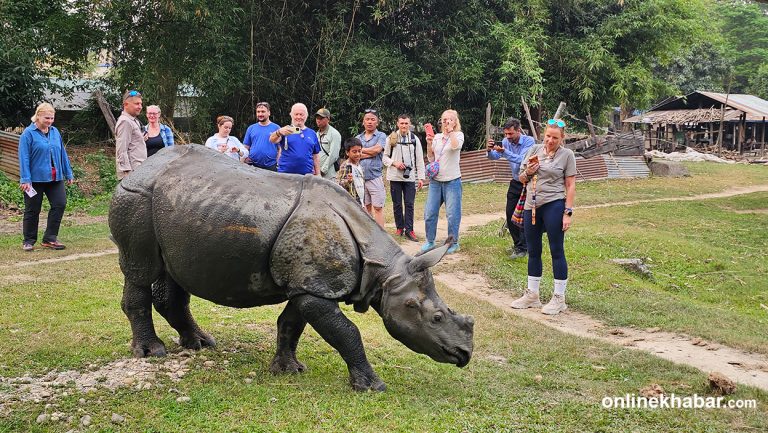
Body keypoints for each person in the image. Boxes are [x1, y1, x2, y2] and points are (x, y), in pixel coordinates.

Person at [510, 119, 576, 315]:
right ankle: (532, 295)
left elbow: (570, 185)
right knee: (534, 250)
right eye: (548, 136)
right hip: (532, 205)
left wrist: (568, 212)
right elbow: (521, 178)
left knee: (556, 249)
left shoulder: (567, 155)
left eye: (555, 138)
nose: (550, 140)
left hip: (554, 203)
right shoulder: (534, 150)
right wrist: (528, 172)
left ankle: (559, 298)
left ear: (562, 138)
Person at [17, 103, 75, 251]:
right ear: (38, 116)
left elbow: (62, 153)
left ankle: (50, 238)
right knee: (32, 210)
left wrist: (68, 173)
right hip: (35, 179)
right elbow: (24, 158)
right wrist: (25, 179)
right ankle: (29, 240)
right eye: (46, 118)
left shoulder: (55, 132)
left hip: (55, 178)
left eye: (52, 118)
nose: (49, 121)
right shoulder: (28, 134)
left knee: (59, 204)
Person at [487, 117, 535, 259]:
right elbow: (495, 156)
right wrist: (490, 151)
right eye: (506, 134)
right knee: (510, 214)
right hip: (515, 182)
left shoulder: (529, 141)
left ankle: (524, 247)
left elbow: (522, 160)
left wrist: (504, 152)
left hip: (528, 182)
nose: (507, 137)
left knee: (524, 216)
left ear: (518, 131)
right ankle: (517, 245)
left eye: (510, 134)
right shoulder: (505, 142)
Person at [422, 109, 464, 254]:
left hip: (452, 181)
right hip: (436, 181)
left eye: (450, 119)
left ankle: (453, 243)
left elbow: (454, 146)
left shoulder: (459, 135)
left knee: (452, 214)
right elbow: (431, 158)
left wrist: (451, 131)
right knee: (429, 212)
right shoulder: (437, 137)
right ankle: (430, 241)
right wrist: (429, 143)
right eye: (444, 119)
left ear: (455, 121)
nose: (446, 122)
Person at [383, 114, 425, 242]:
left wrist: (421, 178)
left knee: (409, 204)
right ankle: (399, 228)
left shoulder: (414, 139)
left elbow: (419, 159)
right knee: (397, 204)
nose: (404, 126)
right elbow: (384, 158)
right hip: (395, 176)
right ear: (397, 124)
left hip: (410, 177)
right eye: (402, 123)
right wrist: (395, 163)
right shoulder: (391, 138)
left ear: (410, 124)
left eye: (406, 123)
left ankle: (409, 229)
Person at [355, 109, 387, 227]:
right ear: (363, 122)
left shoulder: (381, 135)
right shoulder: (358, 137)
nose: (370, 122)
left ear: (377, 122)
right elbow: (355, 156)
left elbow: (377, 150)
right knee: (365, 207)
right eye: (367, 119)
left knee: (378, 208)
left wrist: (360, 151)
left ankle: (381, 236)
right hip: (361, 178)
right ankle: (369, 235)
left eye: (372, 120)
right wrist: (371, 152)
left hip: (375, 177)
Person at [269, 103, 320, 175]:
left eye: (301, 114)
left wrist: (318, 174)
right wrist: (279, 132)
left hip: (306, 177)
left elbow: (316, 156)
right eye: (296, 114)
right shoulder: (285, 130)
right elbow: (271, 140)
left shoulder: (312, 133)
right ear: (291, 115)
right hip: (285, 175)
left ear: (306, 116)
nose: (299, 117)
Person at [115, 90, 146, 179]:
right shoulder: (125, 121)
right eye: (137, 104)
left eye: (141, 104)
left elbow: (132, 144)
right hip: (132, 173)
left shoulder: (133, 120)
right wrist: (127, 175)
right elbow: (121, 149)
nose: (140, 107)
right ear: (126, 105)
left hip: (139, 169)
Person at [243, 101, 281, 171]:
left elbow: (280, 148)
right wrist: (244, 158)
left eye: (263, 111)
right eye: (258, 112)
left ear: (269, 113)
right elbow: (246, 147)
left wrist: (278, 163)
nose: (260, 114)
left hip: (271, 166)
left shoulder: (276, 128)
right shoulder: (251, 128)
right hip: (252, 165)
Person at [337, 138, 365, 207]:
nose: (358, 154)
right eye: (354, 152)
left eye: (359, 151)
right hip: (351, 201)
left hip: (360, 198)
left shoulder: (360, 166)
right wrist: (348, 181)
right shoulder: (345, 166)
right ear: (347, 152)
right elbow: (339, 184)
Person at [315, 108, 342, 180]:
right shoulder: (316, 134)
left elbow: (334, 155)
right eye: (317, 118)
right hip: (317, 173)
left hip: (329, 175)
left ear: (328, 119)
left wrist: (322, 170)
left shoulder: (334, 134)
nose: (318, 120)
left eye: (321, 118)